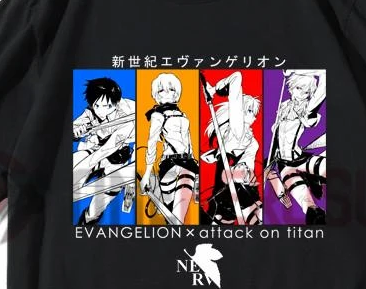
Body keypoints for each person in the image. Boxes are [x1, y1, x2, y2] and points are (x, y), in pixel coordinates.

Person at [200, 72, 262, 225]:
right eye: (248, 110)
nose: (253, 116)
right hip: (228, 186)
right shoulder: (237, 129)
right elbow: (237, 77)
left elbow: (249, 160)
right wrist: (214, 89)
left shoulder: (251, 140)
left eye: (254, 112)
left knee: (253, 217)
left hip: (243, 187)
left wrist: (245, 171)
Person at [72, 77, 135, 225]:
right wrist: (75, 131)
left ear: (116, 103)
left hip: (117, 158)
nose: (101, 111)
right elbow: (75, 126)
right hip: (93, 148)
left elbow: (108, 149)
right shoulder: (91, 111)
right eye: (97, 105)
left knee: (97, 207)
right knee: (76, 161)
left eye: (107, 106)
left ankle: (86, 222)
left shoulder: (128, 114)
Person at [267, 69, 327, 224]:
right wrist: (273, 179)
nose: (301, 94)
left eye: (306, 92)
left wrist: (295, 70)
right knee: (309, 208)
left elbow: (324, 76)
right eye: (299, 88)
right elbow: (274, 143)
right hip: (285, 166)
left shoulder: (307, 109)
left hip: (302, 160)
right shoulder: (284, 107)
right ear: (292, 87)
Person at [140, 73, 198, 223]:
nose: (166, 93)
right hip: (169, 166)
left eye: (171, 89)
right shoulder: (157, 115)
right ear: (156, 94)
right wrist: (147, 174)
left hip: (188, 165)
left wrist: (195, 164)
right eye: (161, 90)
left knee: (178, 218)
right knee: (170, 215)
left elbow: (189, 143)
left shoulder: (183, 115)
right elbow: (152, 143)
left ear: (176, 92)